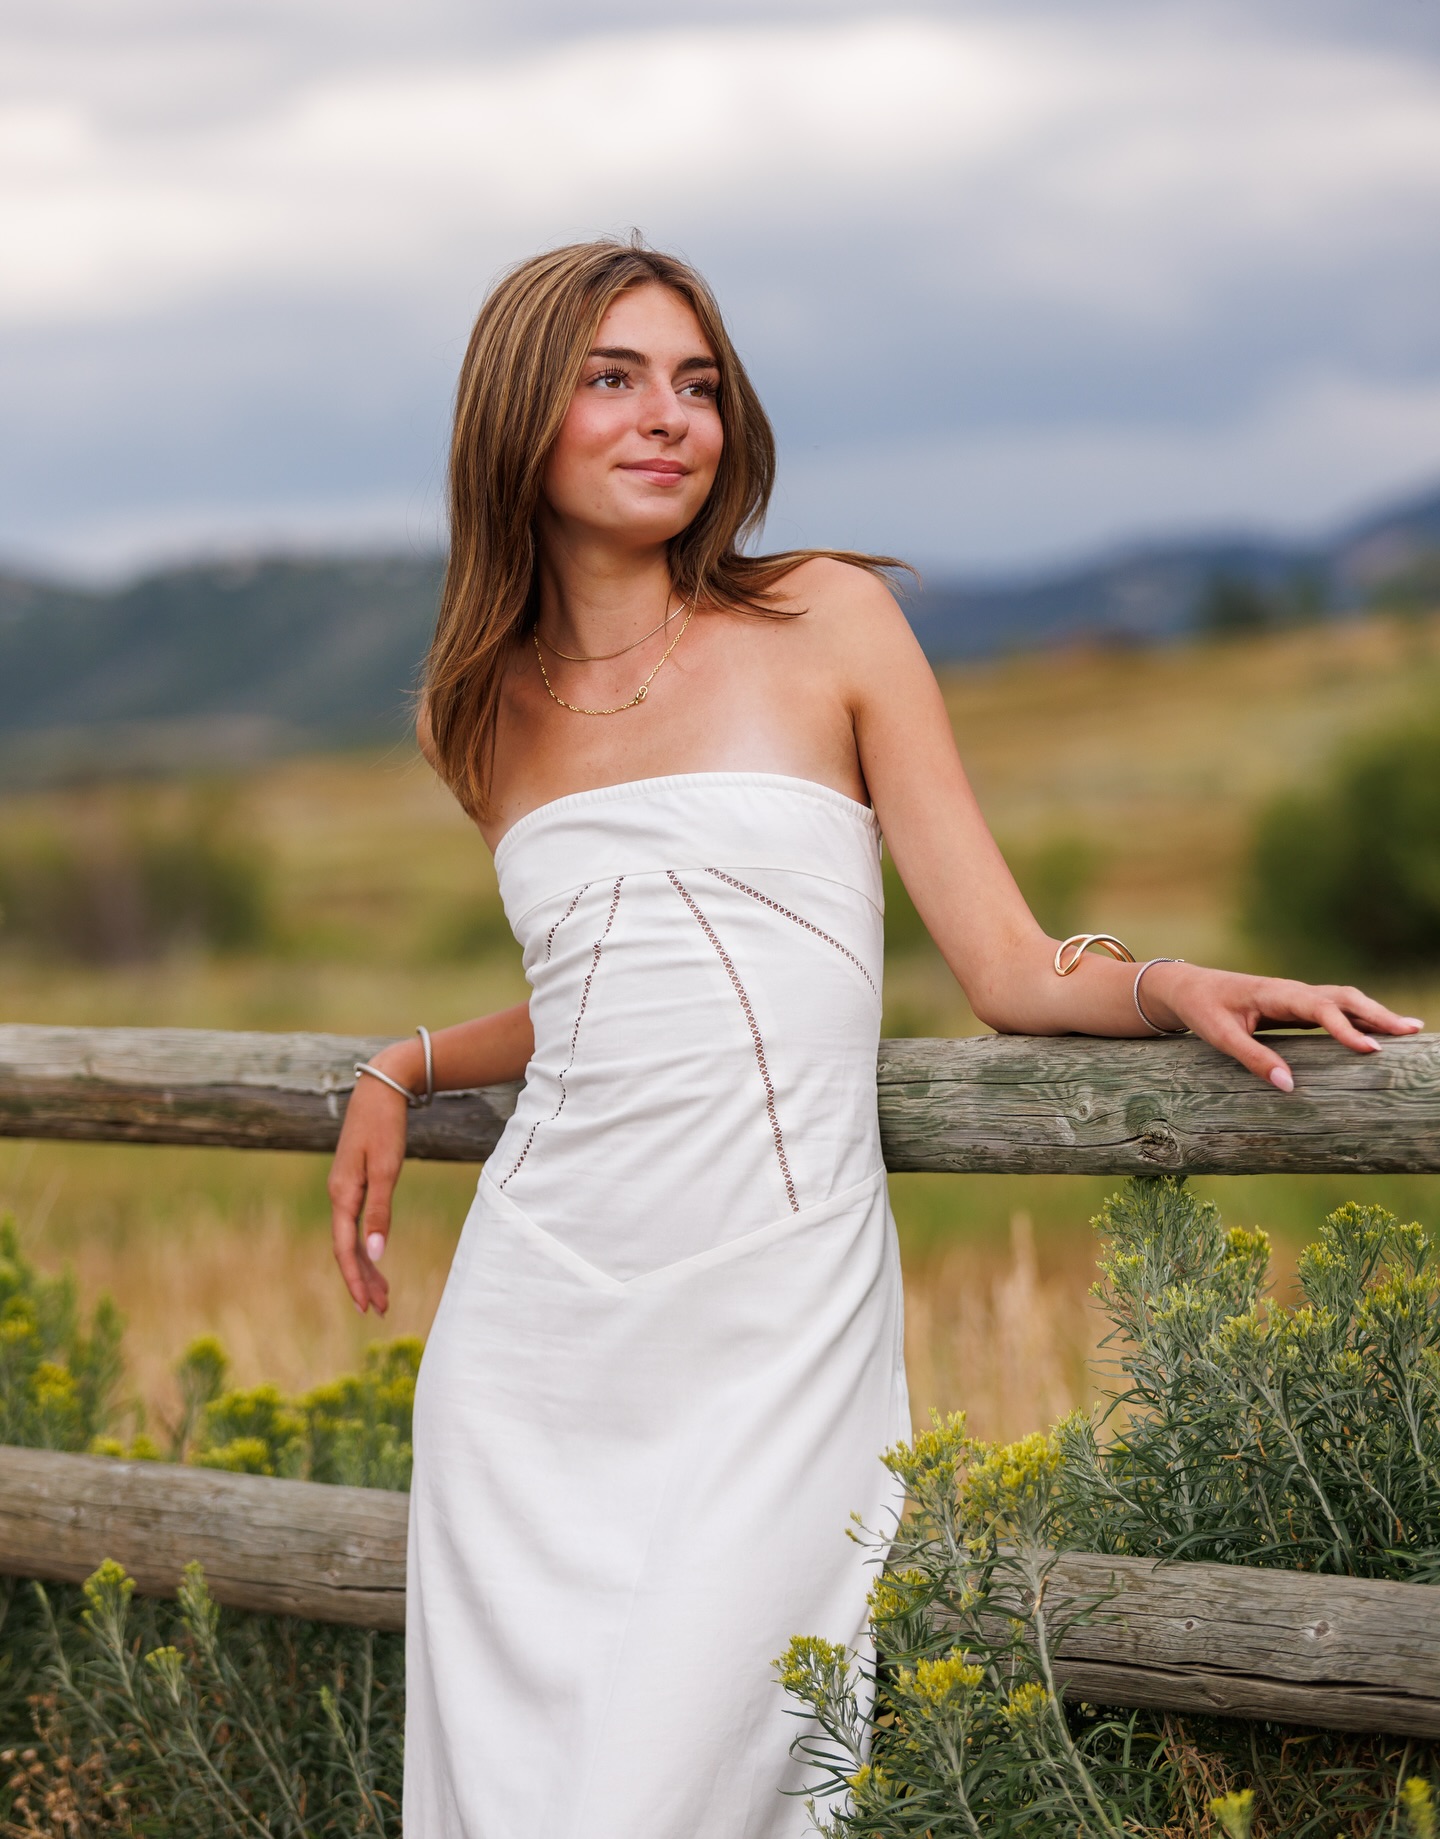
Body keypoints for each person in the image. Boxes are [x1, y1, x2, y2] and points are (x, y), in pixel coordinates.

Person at [327, 239, 1420, 1838]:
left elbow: (1007, 964)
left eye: (697, 384)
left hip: (774, 1318)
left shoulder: (826, 619)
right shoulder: (475, 706)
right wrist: (407, 1059)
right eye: (613, 378)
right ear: (517, 418)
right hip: (538, 1336)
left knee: (709, 1776)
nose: (668, 418)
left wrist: (1167, 979)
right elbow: (606, 991)